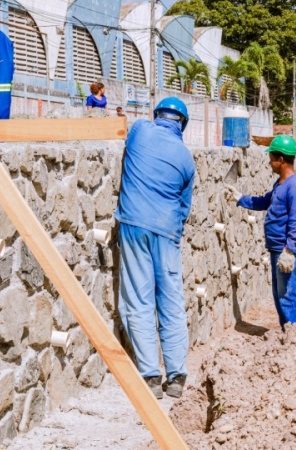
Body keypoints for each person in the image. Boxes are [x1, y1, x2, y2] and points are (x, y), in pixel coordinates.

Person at [115, 96, 194, 400]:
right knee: (171, 299)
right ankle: (176, 376)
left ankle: (150, 375)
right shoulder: (186, 158)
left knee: (139, 298)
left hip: (134, 224)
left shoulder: (139, 131)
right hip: (168, 231)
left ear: (157, 115)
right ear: (182, 124)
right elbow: (185, 206)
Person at [225, 135, 296, 327]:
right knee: (280, 293)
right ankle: (286, 331)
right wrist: (240, 198)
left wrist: (289, 250)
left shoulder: (295, 187)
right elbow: (265, 201)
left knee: (290, 293)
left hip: (286, 249)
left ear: (281, 160)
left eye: (271, 158)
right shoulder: (281, 184)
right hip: (277, 248)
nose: (269, 162)